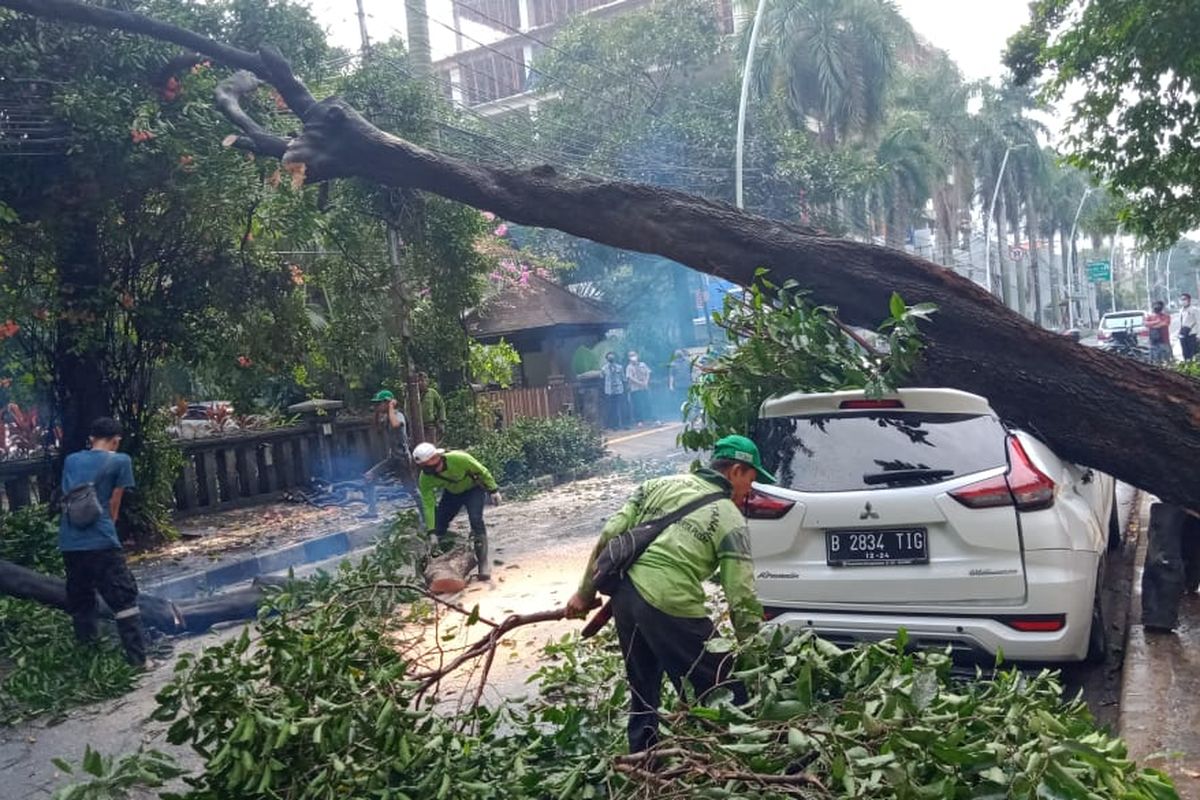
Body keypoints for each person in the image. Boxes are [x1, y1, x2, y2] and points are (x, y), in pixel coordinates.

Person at [566, 434, 771, 753]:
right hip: (669, 602)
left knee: (643, 688)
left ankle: (642, 759)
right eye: (751, 481)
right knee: (723, 687)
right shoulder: (731, 520)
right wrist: (753, 652)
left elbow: (610, 534)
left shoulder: (657, 485)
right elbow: (741, 596)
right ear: (735, 472)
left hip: (625, 597)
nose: (750, 491)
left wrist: (583, 593)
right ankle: (739, 759)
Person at [58, 417, 147, 668]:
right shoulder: (120, 460)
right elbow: (113, 504)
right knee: (123, 599)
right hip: (102, 540)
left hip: (70, 542)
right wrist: (110, 530)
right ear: (116, 440)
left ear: (91, 439)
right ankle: (138, 660)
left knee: (81, 600)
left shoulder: (71, 460)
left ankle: (89, 660)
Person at [413, 442, 501, 581]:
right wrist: (432, 531)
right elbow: (428, 505)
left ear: (437, 457)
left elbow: (482, 471)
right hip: (452, 494)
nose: (428, 468)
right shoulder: (425, 478)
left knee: (475, 519)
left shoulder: (459, 459)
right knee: (440, 524)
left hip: (473, 490)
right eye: (424, 466)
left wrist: (493, 490)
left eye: (430, 463)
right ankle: (437, 566)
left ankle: (483, 563)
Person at [362, 389, 413, 519]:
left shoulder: (398, 415)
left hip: (402, 458)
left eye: (380, 403)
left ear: (388, 403)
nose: (377, 406)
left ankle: (427, 517)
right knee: (369, 476)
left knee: (412, 490)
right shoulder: (386, 417)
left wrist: (391, 407)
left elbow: (396, 425)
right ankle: (372, 511)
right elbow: (377, 427)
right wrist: (378, 412)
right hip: (392, 458)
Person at [417, 372, 446, 444]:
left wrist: (441, 421)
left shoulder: (432, 393)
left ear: (427, 382)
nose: (421, 383)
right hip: (416, 427)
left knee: (431, 447)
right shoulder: (413, 394)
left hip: (430, 425)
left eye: (423, 381)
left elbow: (441, 406)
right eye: (419, 381)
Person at [625, 350, 651, 427]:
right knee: (637, 405)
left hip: (645, 387)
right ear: (628, 358)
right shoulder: (629, 367)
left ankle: (652, 419)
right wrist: (640, 383)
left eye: (634, 355)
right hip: (635, 389)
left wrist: (646, 382)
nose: (633, 357)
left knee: (648, 403)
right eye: (630, 355)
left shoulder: (643, 364)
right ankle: (639, 421)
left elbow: (648, 373)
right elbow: (630, 378)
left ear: (637, 355)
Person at [600, 351, 626, 430]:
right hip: (609, 391)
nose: (611, 358)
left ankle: (623, 424)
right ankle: (613, 425)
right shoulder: (604, 368)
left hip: (619, 389)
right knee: (612, 408)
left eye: (612, 357)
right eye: (609, 357)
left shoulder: (620, 367)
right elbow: (602, 378)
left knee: (621, 407)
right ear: (607, 359)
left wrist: (625, 388)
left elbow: (623, 378)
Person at [667, 348, 693, 419]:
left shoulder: (688, 362)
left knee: (690, 400)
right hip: (679, 386)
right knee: (681, 401)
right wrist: (671, 385)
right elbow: (671, 376)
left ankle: (691, 414)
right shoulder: (673, 364)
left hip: (688, 384)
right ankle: (683, 415)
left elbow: (691, 372)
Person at [1180, 293, 1200, 361]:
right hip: (1184, 335)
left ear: (1189, 300)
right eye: (1182, 299)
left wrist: (1198, 335)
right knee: (1185, 353)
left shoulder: (1194, 310)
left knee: (1193, 353)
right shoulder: (1181, 310)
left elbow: (1198, 322)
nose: (1183, 301)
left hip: (1192, 335)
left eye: (1184, 299)